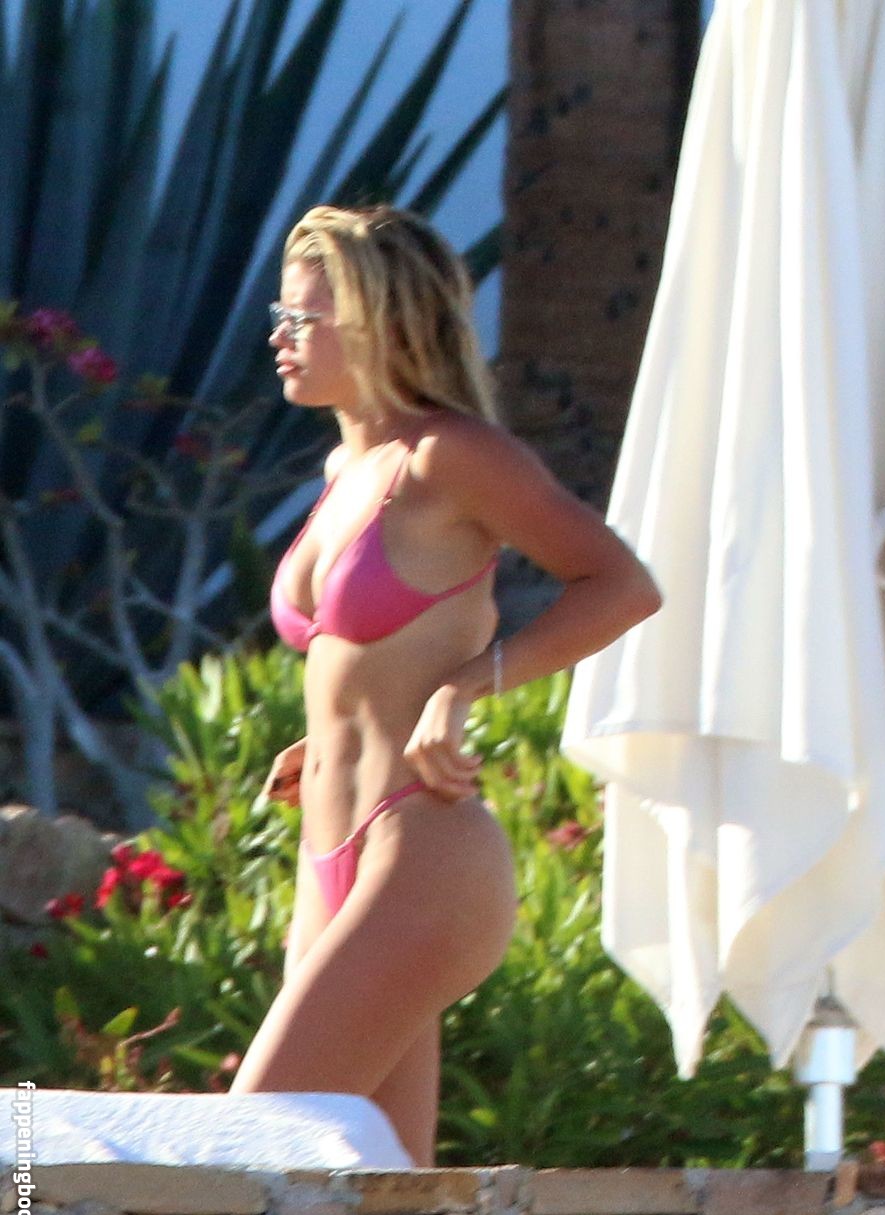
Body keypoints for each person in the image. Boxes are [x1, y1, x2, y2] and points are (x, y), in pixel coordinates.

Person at [231, 206, 661, 1166]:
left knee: (246, 1157)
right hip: (330, 855)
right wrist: (331, 733)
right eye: (280, 314)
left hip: (420, 854)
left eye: (301, 318)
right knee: (378, 1192)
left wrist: (467, 686)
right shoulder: (346, 467)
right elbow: (368, 653)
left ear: (376, 322)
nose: (278, 337)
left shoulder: (453, 457)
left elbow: (624, 585)